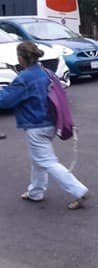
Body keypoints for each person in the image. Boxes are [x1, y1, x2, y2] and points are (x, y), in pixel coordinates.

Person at [0, 41, 89, 209]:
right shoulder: (46, 72)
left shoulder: (24, 78)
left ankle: (79, 191)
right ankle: (36, 192)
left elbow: (5, 99)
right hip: (51, 123)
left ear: (21, 58)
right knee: (38, 159)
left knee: (47, 161)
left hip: (36, 126)